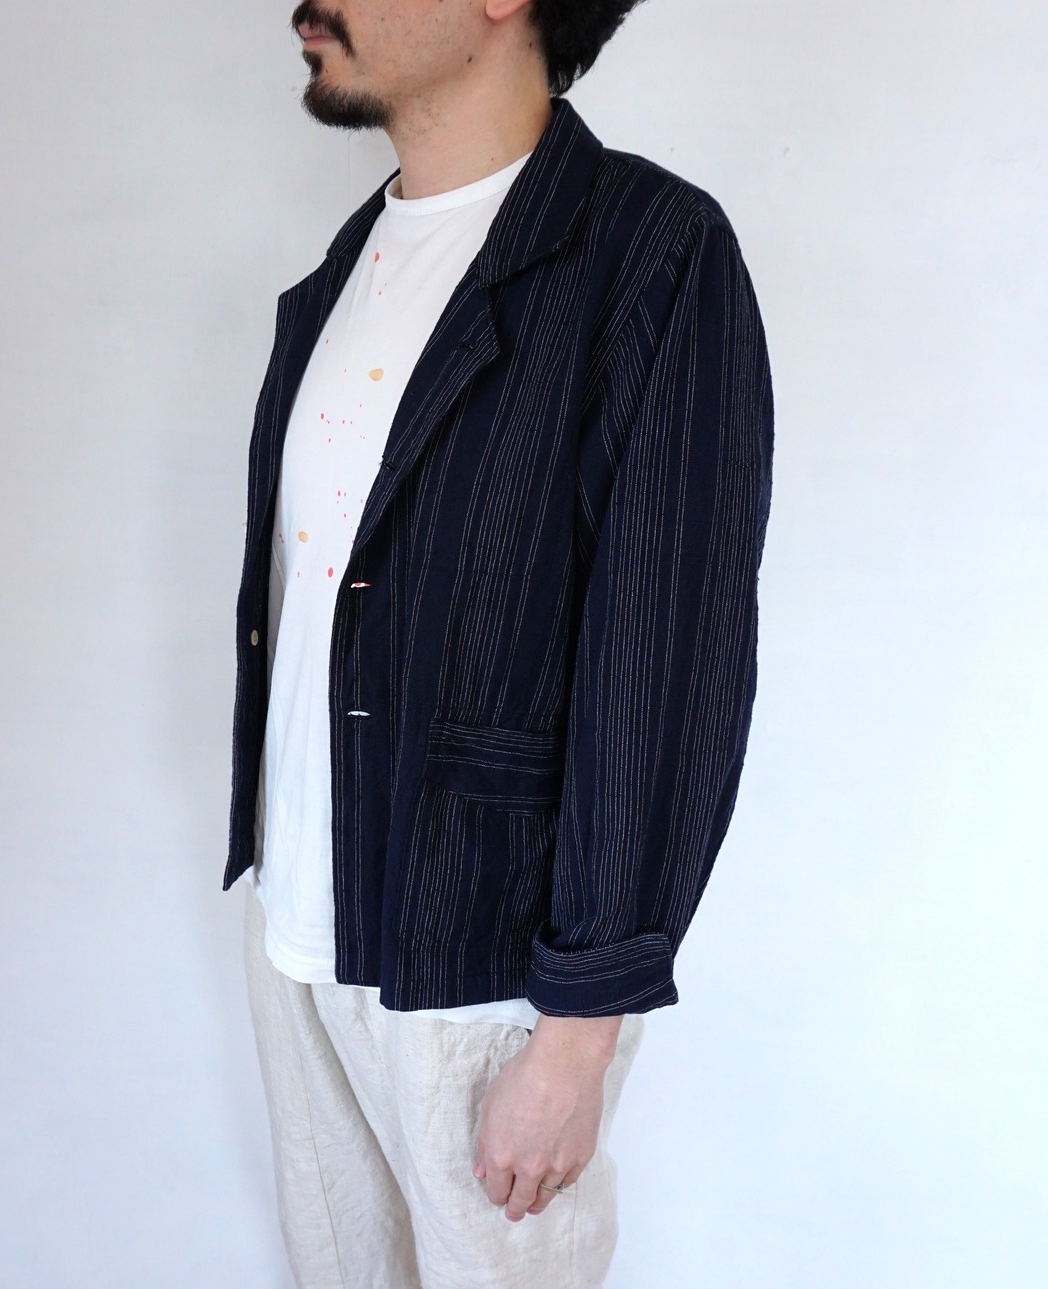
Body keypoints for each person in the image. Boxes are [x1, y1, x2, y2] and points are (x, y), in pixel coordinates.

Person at [223, 1, 774, 1284]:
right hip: (299, 918)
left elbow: (668, 661)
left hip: (478, 954)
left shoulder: (647, 252)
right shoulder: (352, 263)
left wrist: (579, 1030)